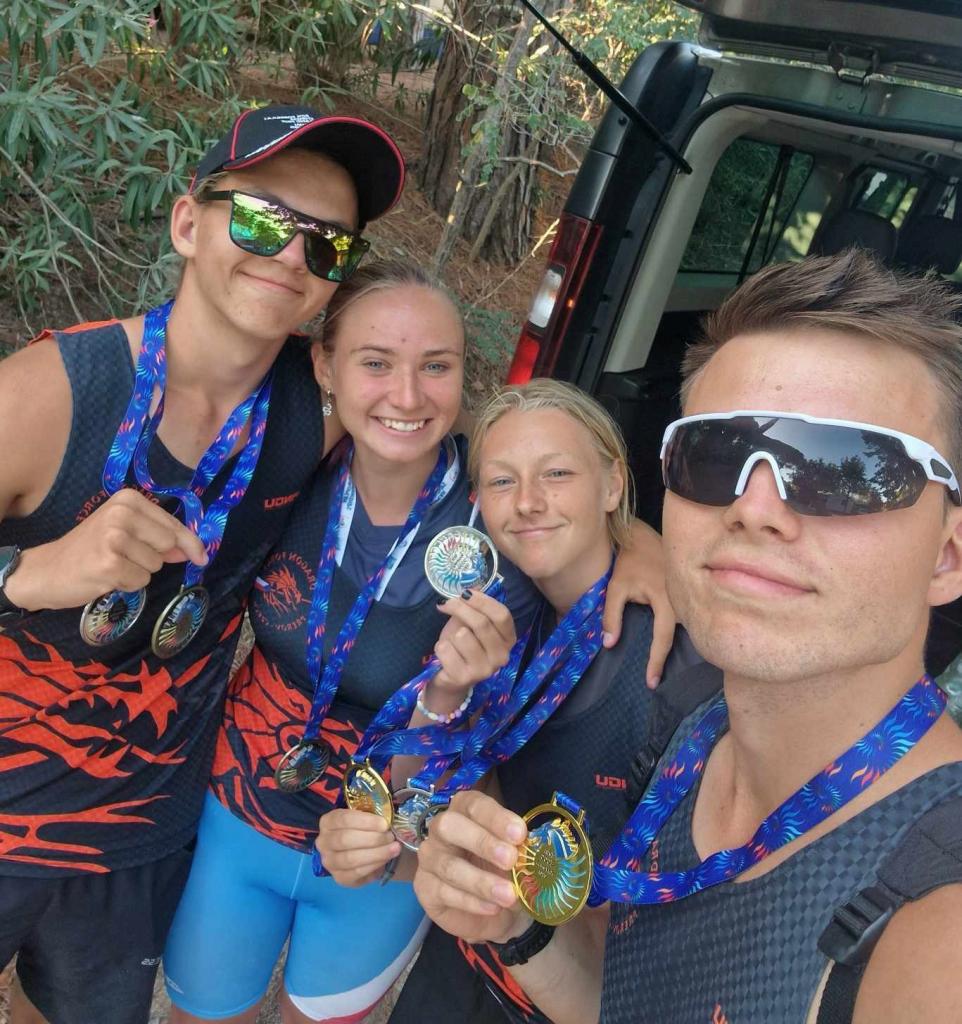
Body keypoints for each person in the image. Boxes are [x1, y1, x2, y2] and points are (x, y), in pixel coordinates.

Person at [409, 251, 962, 1023]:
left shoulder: (934, 920)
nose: (754, 509)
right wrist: (520, 928)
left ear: (947, 555)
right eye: (715, 457)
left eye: (844, 469)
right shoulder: (695, 731)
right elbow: (624, 1002)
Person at [0, 103, 406, 1024]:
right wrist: (29, 574)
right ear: (188, 223)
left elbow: (484, 464)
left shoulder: (320, 408)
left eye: (327, 245)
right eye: (261, 220)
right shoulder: (56, 394)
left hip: (137, 830)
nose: (292, 255)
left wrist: (630, 541)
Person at [317, 379, 715, 1024]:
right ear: (479, 502)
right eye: (503, 481)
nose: (528, 502)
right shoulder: (509, 623)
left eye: (556, 473)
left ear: (612, 485)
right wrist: (379, 849)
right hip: (462, 969)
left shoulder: (676, 663)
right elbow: (441, 821)